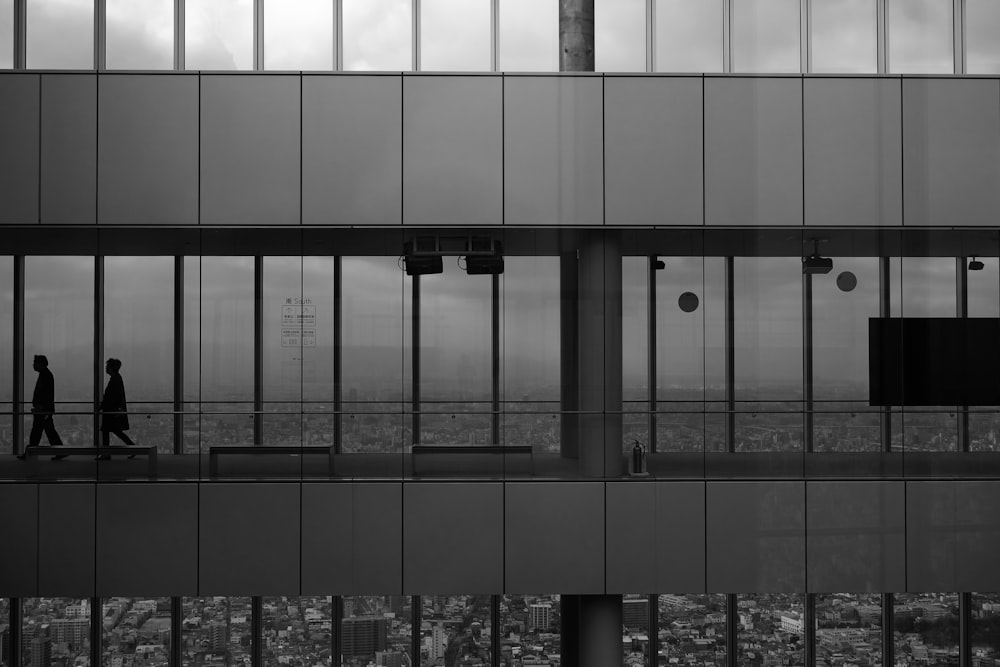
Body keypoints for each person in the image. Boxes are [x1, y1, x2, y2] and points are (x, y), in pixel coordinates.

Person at [19, 354, 65, 459]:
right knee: (45, 431)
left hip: (43, 410)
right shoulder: (45, 374)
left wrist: (40, 407)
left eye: (35, 363)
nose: (33, 365)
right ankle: (60, 451)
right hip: (44, 409)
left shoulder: (45, 375)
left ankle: (31, 452)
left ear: (41, 364)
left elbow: (46, 394)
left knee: (39, 431)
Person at [100, 358, 136, 451]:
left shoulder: (115, 379)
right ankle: (133, 448)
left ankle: (106, 453)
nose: (106, 368)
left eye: (107, 366)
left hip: (111, 412)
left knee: (107, 431)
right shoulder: (116, 378)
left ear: (111, 368)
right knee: (115, 431)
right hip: (113, 412)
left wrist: (102, 407)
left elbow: (112, 397)